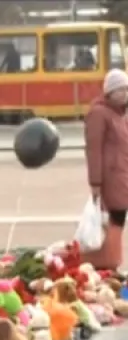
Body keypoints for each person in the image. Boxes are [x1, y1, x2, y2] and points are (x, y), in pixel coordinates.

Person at [82, 68, 128, 270]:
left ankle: (111, 261)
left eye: (127, 90)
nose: (125, 94)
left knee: (117, 220)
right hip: (110, 179)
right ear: (109, 92)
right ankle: (107, 263)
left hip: (121, 176)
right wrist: (95, 183)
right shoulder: (99, 114)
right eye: (121, 90)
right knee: (114, 219)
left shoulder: (118, 114)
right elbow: (94, 150)